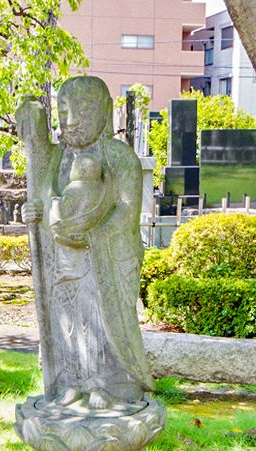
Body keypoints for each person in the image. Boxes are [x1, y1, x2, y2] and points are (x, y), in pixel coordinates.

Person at [20, 77, 154, 410]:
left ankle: (105, 385)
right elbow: (45, 194)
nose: (72, 119)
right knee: (66, 318)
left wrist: (91, 234)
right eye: (64, 110)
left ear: (103, 112)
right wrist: (35, 209)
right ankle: (71, 381)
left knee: (97, 318)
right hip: (64, 259)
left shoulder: (120, 158)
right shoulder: (55, 158)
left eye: (82, 109)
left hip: (102, 257)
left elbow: (126, 212)